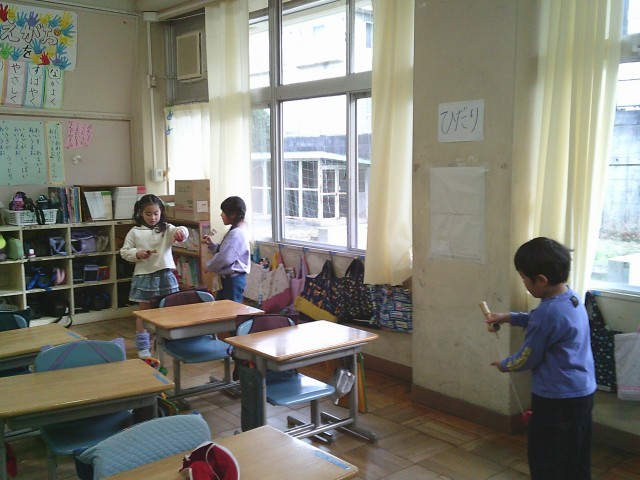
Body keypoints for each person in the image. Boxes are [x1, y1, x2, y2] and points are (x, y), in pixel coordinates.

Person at [486, 237, 596, 480]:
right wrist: (509, 317)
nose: (524, 283)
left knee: (547, 458)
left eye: (524, 278)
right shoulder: (570, 298)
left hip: (556, 401)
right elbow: (543, 322)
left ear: (542, 280)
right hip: (582, 393)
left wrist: (505, 365)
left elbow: (527, 357)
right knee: (575, 454)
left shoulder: (548, 312)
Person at [120, 194, 188, 358]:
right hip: (145, 276)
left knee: (168, 309)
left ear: (161, 212)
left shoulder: (167, 228)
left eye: (156, 213)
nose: (153, 217)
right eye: (148, 214)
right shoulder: (135, 232)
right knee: (144, 312)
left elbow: (181, 231)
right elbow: (124, 251)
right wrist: (137, 254)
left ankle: (167, 341)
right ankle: (143, 345)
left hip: (165, 275)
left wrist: (181, 232)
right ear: (140, 213)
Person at [203, 196, 250, 302]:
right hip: (230, 279)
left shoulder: (236, 234)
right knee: (222, 307)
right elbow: (226, 251)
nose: (221, 215)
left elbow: (224, 258)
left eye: (223, 212)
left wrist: (208, 266)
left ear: (233, 214)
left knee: (230, 309)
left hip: (233, 280)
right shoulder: (236, 230)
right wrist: (212, 245)